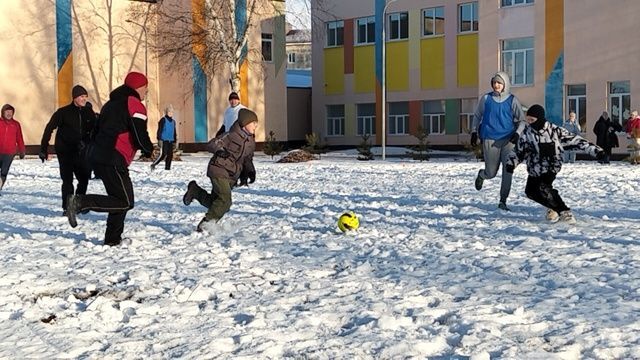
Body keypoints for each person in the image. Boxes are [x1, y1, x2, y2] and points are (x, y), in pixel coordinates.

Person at [66, 72, 154, 246]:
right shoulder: (134, 103)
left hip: (100, 156)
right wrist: (148, 149)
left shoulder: (110, 104)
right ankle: (79, 202)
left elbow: (97, 130)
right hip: (114, 157)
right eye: (146, 88)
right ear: (139, 87)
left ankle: (112, 240)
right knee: (125, 201)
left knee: (117, 199)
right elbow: (139, 132)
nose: (146, 92)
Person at [505, 104, 604, 224]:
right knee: (531, 192)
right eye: (528, 120)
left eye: (532, 120)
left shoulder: (555, 131)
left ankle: (564, 211)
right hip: (534, 168)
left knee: (544, 188)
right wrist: (511, 163)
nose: (530, 123)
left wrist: (597, 151)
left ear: (540, 118)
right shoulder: (527, 133)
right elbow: (519, 150)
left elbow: (577, 141)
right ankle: (553, 208)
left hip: (551, 166)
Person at [183, 108, 257, 232]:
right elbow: (212, 144)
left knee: (216, 203)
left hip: (231, 175)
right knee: (225, 201)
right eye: (253, 123)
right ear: (245, 124)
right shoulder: (230, 135)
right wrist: (220, 150)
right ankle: (205, 225)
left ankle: (195, 191)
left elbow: (248, 159)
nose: (256, 126)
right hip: (218, 169)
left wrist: (250, 171)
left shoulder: (251, 142)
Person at [470, 71, 526, 211]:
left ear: (505, 84)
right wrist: (473, 132)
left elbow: (522, 120)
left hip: (508, 140)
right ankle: (482, 175)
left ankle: (503, 200)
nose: (496, 85)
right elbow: (477, 116)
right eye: (494, 82)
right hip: (490, 139)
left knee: (508, 171)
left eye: (499, 83)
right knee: (491, 172)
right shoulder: (486, 99)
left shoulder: (512, 100)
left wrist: (518, 134)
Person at [40, 85, 97, 215]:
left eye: (85, 97)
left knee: (83, 180)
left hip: (82, 152)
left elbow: (95, 130)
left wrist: (91, 144)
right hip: (65, 152)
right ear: (75, 97)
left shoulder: (89, 112)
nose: (84, 99)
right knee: (67, 180)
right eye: (81, 96)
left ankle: (78, 204)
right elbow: (49, 128)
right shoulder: (63, 112)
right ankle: (67, 207)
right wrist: (44, 148)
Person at [0, 104, 25, 192]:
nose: (9, 114)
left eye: (11, 112)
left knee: (4, 172)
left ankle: (0, 187)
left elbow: (19, 138)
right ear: (3, 112)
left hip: (9, 153)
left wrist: (22, 150)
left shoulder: (16, 124)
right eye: (7, 112)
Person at [150, 104, 177, 171]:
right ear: (166, 112)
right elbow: (160, 130)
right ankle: (154, 164)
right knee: (163, 154)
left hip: (170, 140)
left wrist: (175, 141)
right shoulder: (163, 120)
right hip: (164, 140)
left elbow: (174, 132)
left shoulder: (173, 122)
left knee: (170, 155)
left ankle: (167, 169)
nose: (171, 113)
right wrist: (159, 139)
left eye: (172, 112)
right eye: (169, 112)